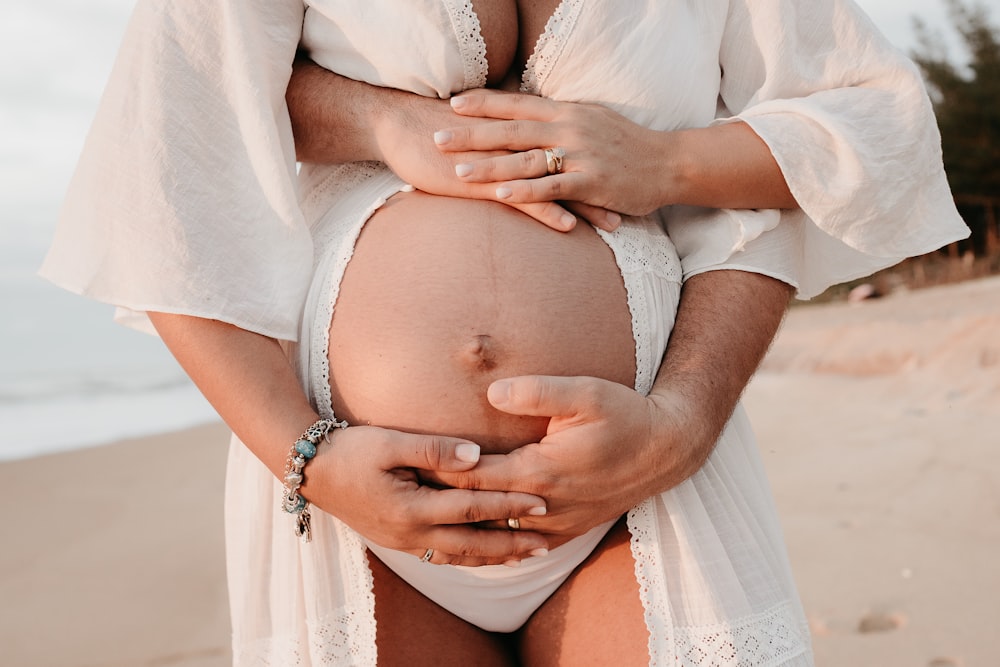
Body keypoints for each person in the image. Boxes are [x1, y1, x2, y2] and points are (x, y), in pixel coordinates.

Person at [40, 1, 968, 665]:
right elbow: (167, 149)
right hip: (356, 505)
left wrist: (669, 164)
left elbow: (867, 120)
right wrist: (376, 118)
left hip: (647, 485)